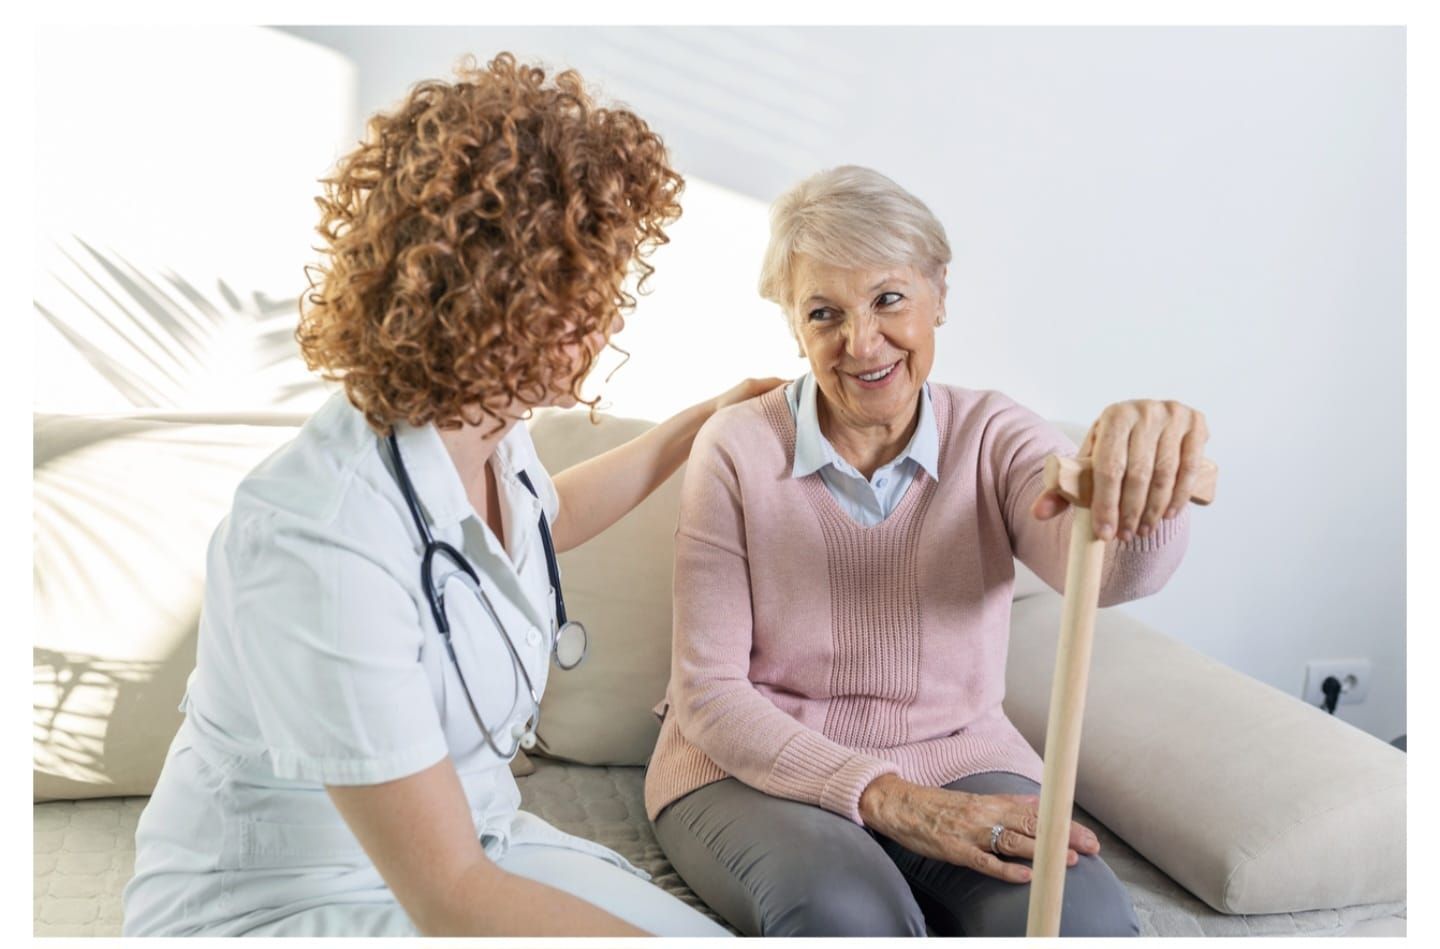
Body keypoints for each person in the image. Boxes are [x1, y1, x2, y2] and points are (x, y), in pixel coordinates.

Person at [122, 53, 762, 937]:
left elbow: (541, 523)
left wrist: (694, 427)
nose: (611, 315)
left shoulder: (480, 428)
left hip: (475, 842)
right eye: (586, 282)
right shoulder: (319, 536)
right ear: (495, 295)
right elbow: (451, 898)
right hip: (300, 896)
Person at [645, 165, 1211, 937]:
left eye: (888, 299)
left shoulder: (996, 435)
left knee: (1083, 920)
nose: (862, 342)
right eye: (824, 314)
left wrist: (1146, 483)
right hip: (753, 763)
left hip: (953, 750)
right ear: (793, 326)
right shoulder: (738, 448)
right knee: (847, 911)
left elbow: (1106, 576)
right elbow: (709, 695)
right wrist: (888, 799)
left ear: (939, 293)